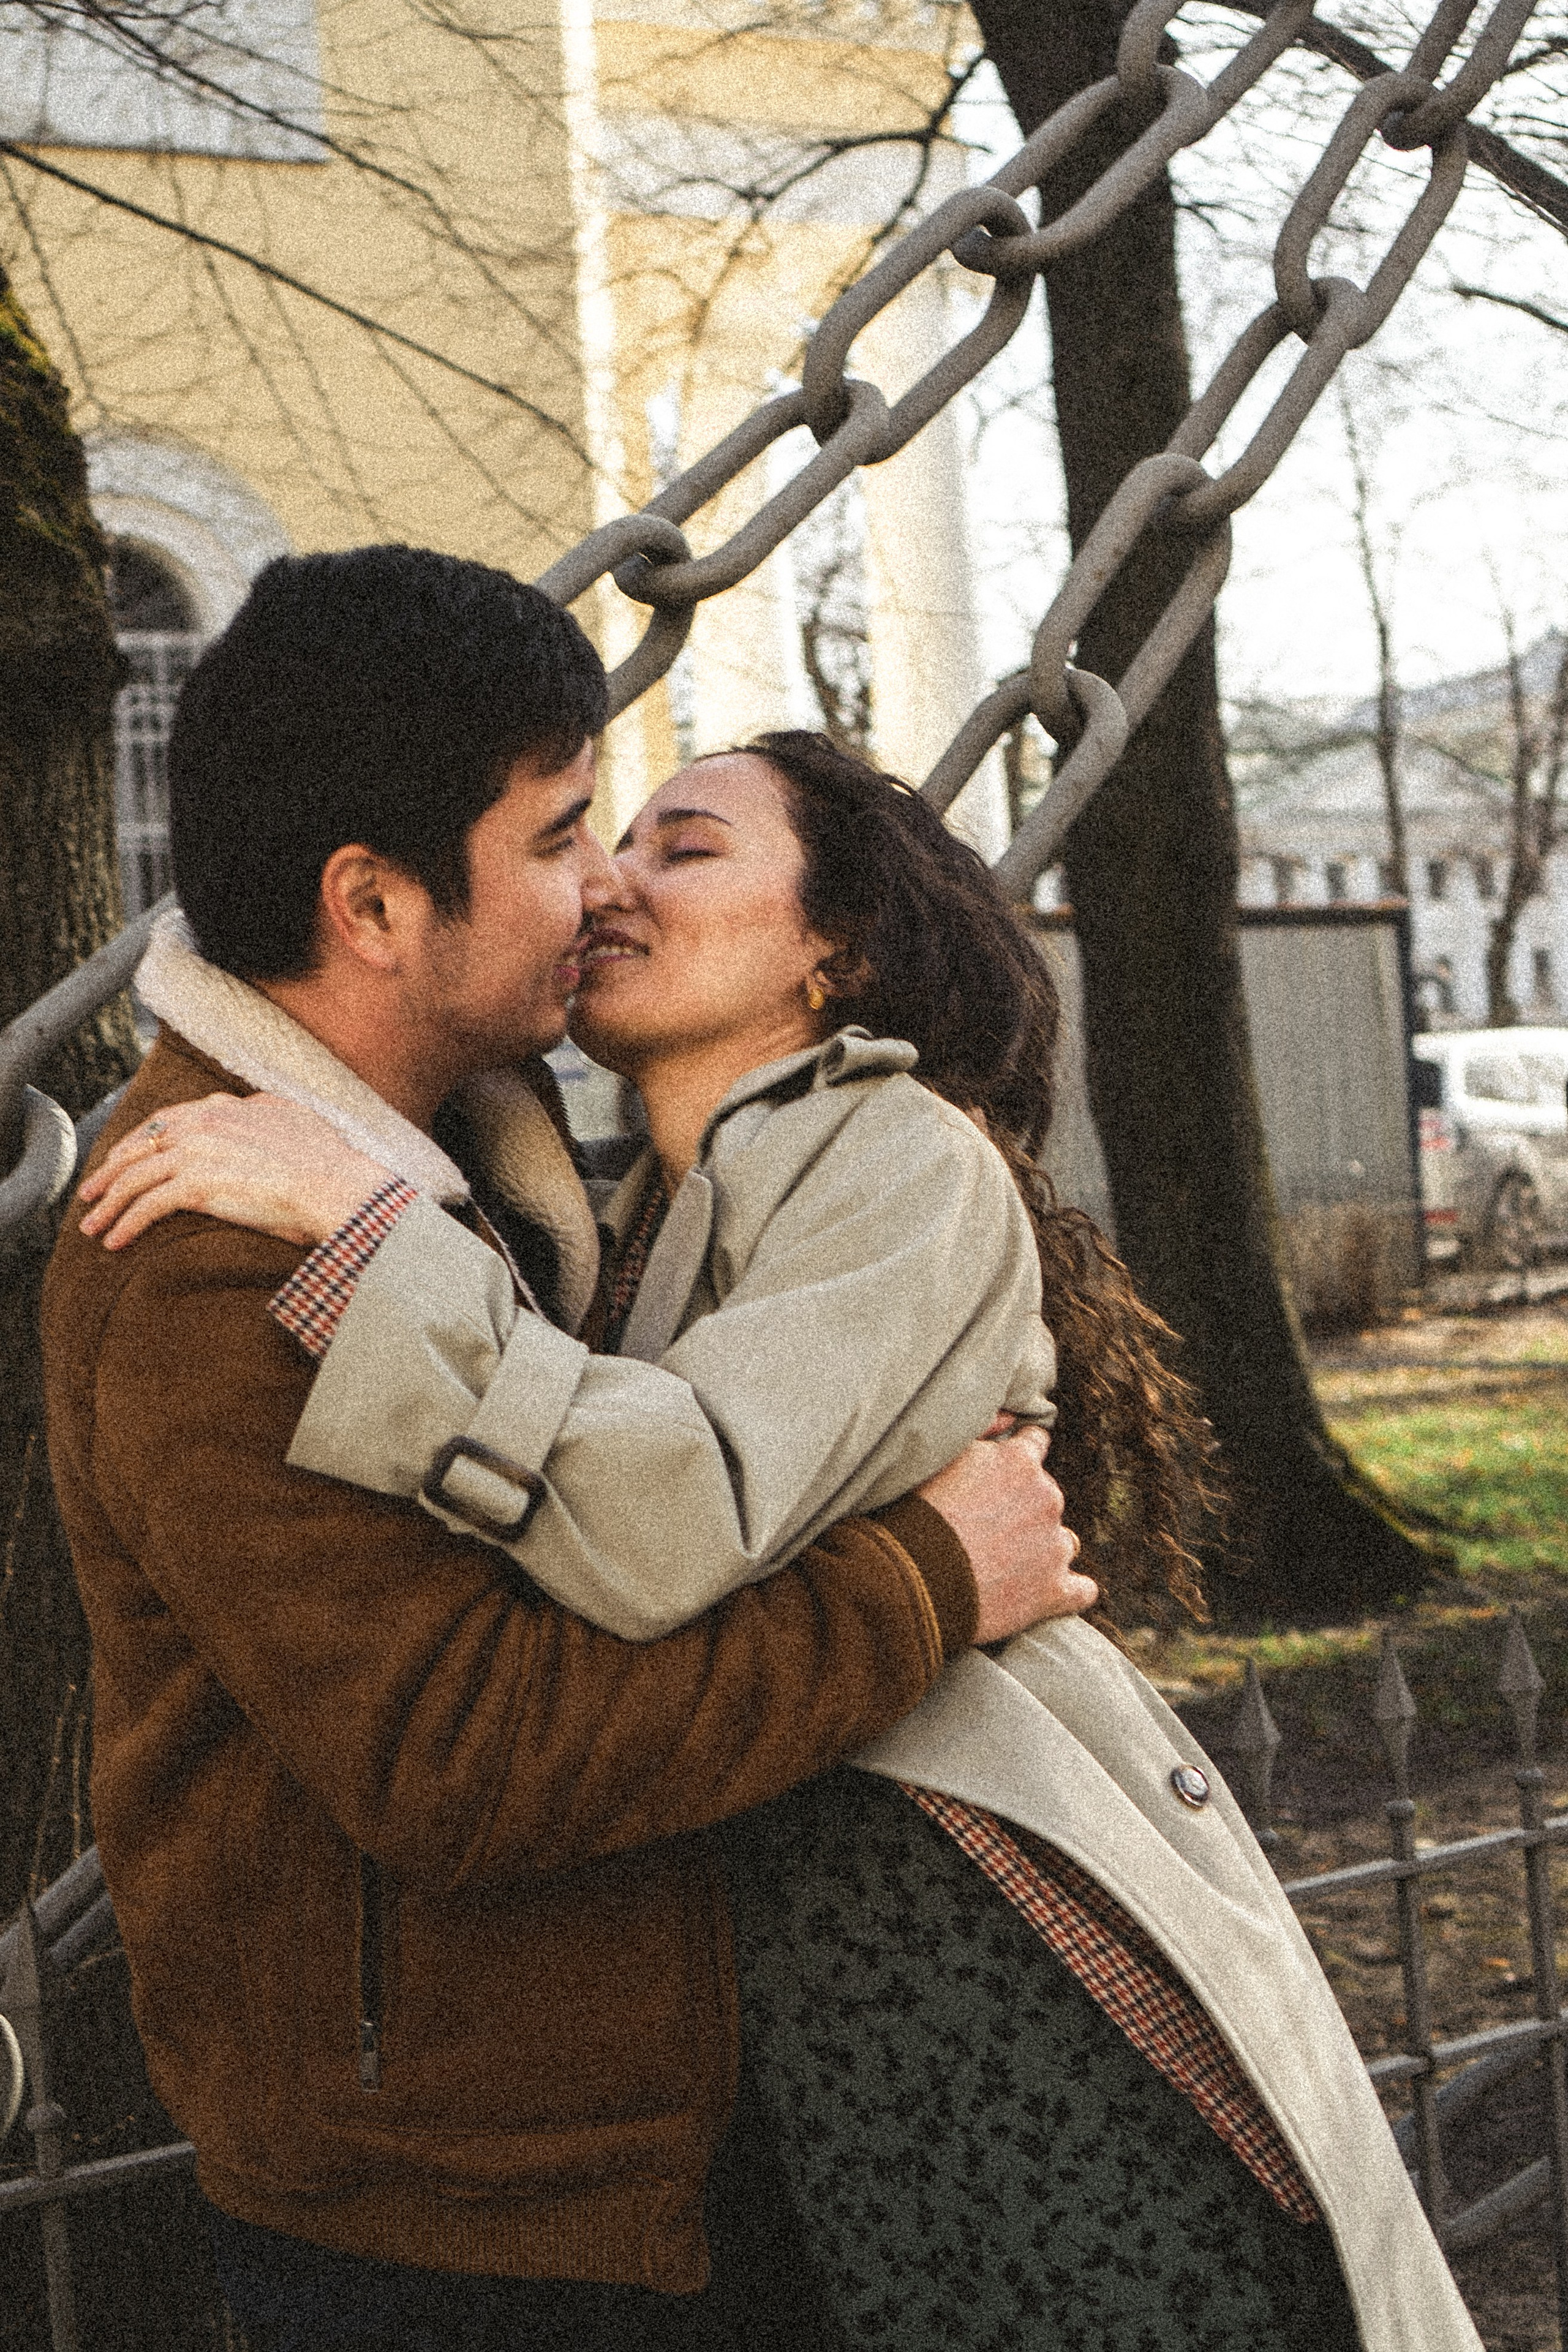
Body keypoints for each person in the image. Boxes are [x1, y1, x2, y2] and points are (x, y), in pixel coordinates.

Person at [85, 728, 1482, 2351]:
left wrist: (371, 1235)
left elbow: (670, 1514)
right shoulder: (635, 1214)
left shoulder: (905, 1159)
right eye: (609, 843)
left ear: (841, 947)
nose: (614, 882)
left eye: (685, 847)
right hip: (809, 1997)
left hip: (976, 1956)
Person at [41, 547, 1088, 2352]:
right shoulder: (217, 1248)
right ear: (373, 907)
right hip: (449, 2224)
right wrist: (932, 1576)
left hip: (606, 2151)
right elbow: (476, 1755)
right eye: (557, 837)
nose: (599, 888)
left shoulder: (492, 1163)